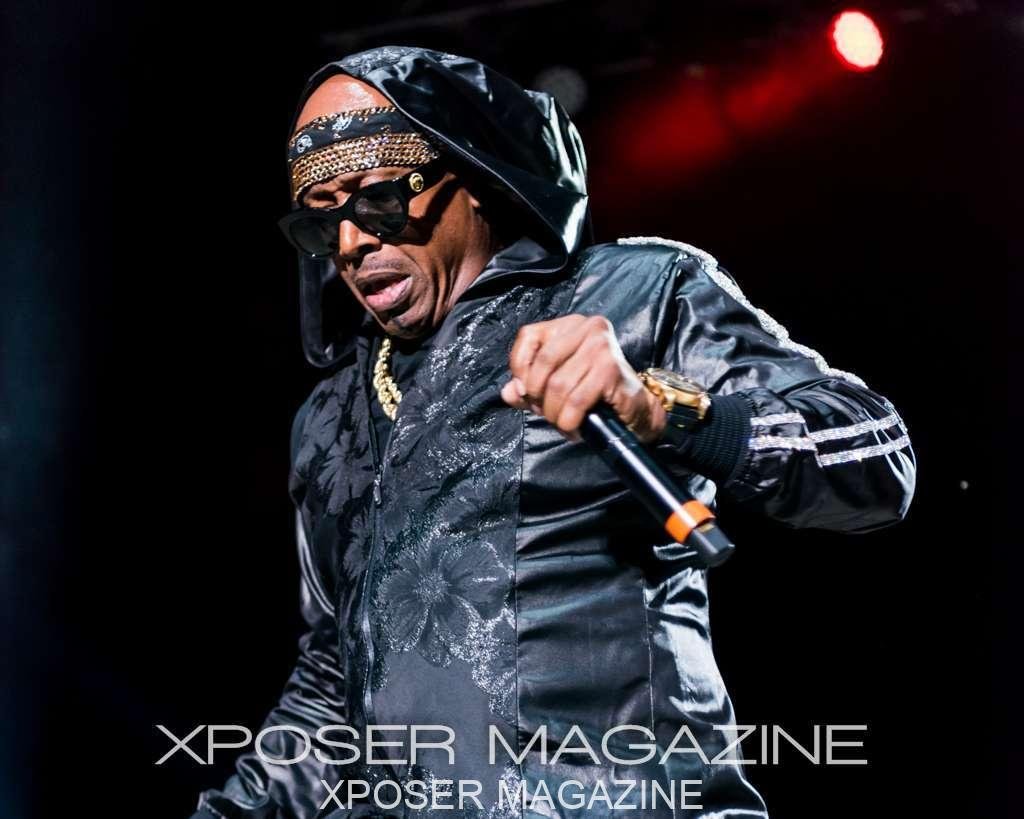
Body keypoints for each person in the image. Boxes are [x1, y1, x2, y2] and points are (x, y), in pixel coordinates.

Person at [190, 46, 915, 819]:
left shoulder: (632, 294)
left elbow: (877, 458)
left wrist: (665, 407)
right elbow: (332, 680)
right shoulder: (330, 416)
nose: (349, 243)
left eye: (379, 199)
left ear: (473, 178)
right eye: (322, 218)